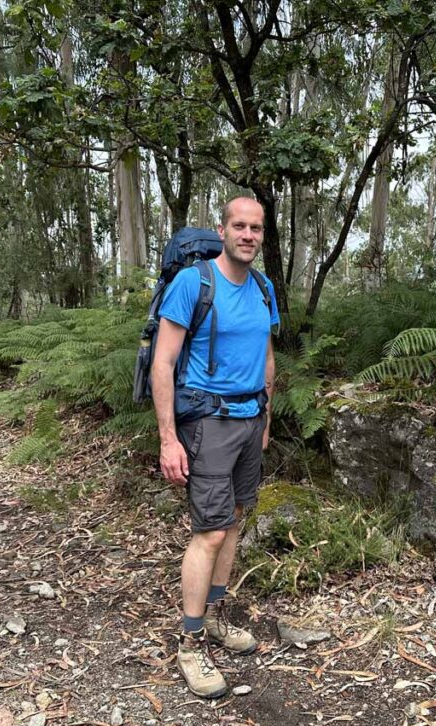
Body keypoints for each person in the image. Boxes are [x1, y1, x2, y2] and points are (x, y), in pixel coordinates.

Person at [151, 196, 279, 698]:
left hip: (250, 422)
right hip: (207, 424)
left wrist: (266, 416)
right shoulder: (194, 283)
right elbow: (163, 363)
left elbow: (266, 356)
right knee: (208, 532)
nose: (248, 235)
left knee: (235, 520)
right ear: (223, 230)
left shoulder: (264, 287)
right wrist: (168, 437)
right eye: (239, 226)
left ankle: (218, 615)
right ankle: (190, 642)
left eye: (256, 228)